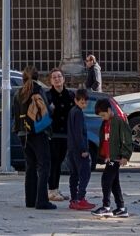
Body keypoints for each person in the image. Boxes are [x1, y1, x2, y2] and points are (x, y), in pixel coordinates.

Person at [14, 66, 56, 210]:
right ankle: (42, 200)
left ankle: (30, 200)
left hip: (22, 132)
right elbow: (46, 111)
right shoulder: (38, 90)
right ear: (38, 77)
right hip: (38, 132)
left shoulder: (18, 93)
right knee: (44, 165)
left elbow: (14, 113)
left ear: (23, 78)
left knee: (30, 166)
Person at [91, 98, 131, 218]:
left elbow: (127, 139)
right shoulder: (106, 122)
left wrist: (125, 155)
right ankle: (121, 208)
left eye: (103, 115)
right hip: (110, 157)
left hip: (116, 157)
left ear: (109, 110)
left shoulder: (119, 121)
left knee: (106, 180)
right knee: (114, 183)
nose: (102, 118)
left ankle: (106, 207)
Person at [45, 68, 74, 202]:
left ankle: (55, 189)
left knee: (60, 161)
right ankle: (51, 190)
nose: (57, 79)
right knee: (54, 162)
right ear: (51, 81)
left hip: (66, 134)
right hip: (53, 134)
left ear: (63, 79)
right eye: (54, 77)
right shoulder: (48, 96)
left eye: (59, 76)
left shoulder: (70, 95)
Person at [66, 88, 94, 211]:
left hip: (71, 148)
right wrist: (83, 149)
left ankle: (74, 199)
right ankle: (80, 198)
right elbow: (78, 133)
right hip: (78, 149)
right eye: (82, 102)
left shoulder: (72, 111)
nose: (84, 104)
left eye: (85, 102)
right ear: (76, 101)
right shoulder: (78, 113)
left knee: (74, 175)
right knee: (84, 173)